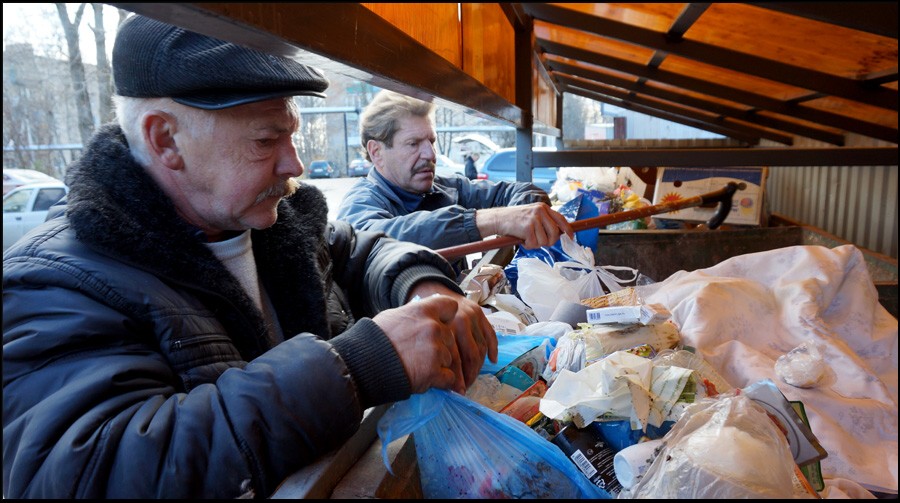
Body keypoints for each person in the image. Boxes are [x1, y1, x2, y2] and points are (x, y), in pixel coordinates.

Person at [2, 15, 497, 499]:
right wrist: (355, 368)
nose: (295, 163)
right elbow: (87, 472)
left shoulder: (273, 219)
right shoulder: (54, 284)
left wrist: (420, 285)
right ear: (165, 138)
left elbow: (362, 251)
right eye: (265, 140)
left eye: (291, 133)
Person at [335, 90, 573, 272]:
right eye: (413, 144)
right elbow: (376, 241)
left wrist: (526, 215)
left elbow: (519, 192)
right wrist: (491, 220)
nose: (430, 155)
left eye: (431, 141)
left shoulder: (447, 189)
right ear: (376, 151)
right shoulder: (359, 206)